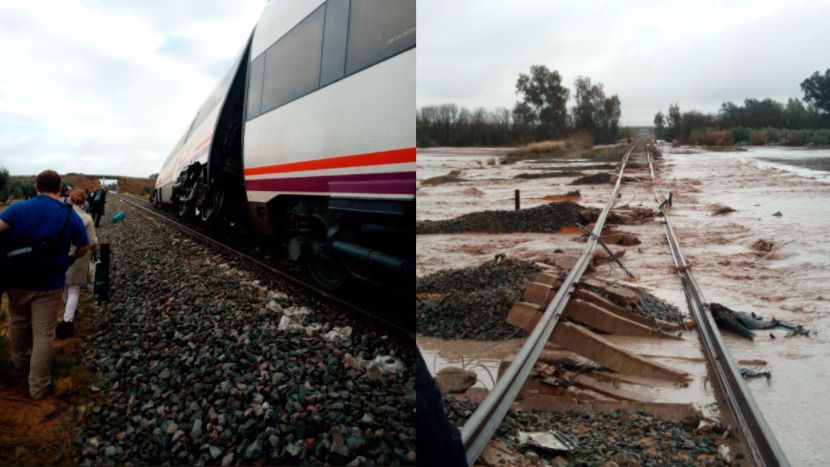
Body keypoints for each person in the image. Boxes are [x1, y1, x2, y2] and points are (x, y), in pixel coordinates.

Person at [0, 170, 89, 399]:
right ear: (59, 189)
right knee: (43, 335)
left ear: (37, 187)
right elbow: (83, 247)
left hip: (16, 281)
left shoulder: (17, 209)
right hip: (49, 284)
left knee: (18, 322)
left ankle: (18, 367)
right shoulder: (70, 215)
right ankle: (38, 388)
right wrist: (69, 260)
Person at [57, 189, 98, 339]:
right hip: (78, 257)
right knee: (74, 289)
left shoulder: (60, 214)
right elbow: (92, 242)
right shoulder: (86, 218)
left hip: (60, 255)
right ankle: (67, 323)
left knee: (64, 286)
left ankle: (70, 311)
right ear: (84, 202)